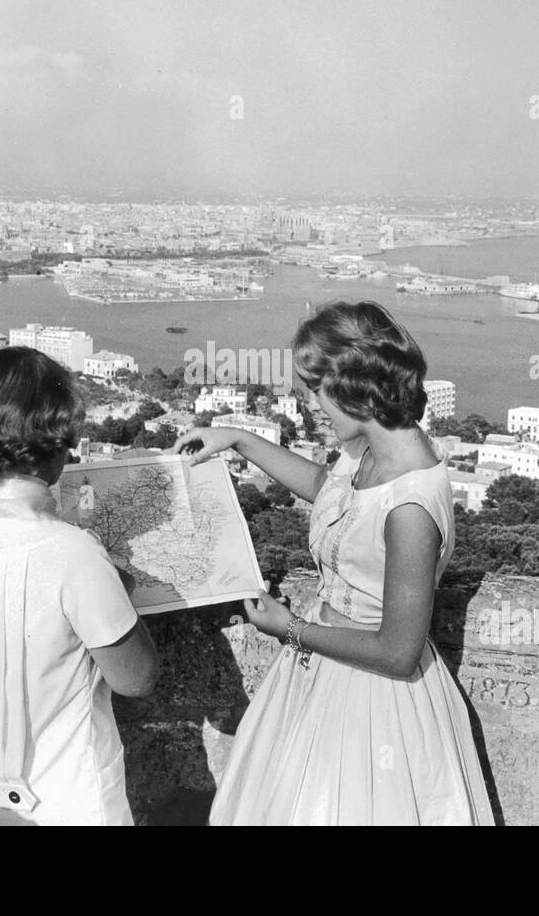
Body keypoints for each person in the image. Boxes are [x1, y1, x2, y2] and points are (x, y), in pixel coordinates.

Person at [174, 301, 494, 825]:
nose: (310, 407)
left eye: (315, 391)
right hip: (320, 672)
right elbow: (332, 494)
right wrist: (237, 439)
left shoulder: (410, 508)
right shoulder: (374, 450)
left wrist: (290, 628)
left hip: (373, 700)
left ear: (355, 386)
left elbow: (396, 651)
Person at [0, 346, 158, 825]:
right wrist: (117, 594)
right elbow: (137, 679)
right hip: (64, 798)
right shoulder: (73, 553)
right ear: (51, 447)